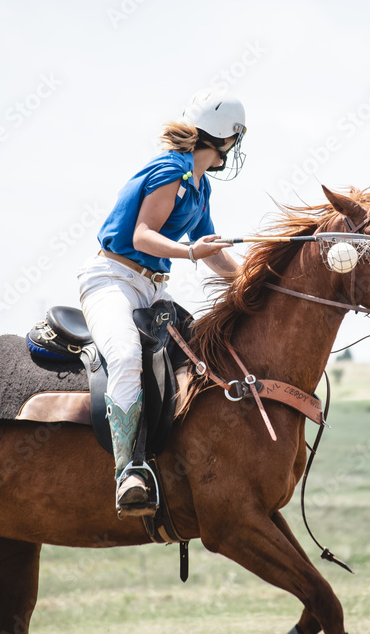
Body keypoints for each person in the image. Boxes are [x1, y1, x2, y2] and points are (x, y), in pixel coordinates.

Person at [77, 88, 246, 517]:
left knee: (205, 354)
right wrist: (191, 253)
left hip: (153, 289)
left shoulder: (200, 185)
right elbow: (142, 237)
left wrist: (257, 278)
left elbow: (215, 253)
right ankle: (128, 471)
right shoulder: (171, 171)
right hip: (112, 279)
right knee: (127, 355)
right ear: (226, 138)